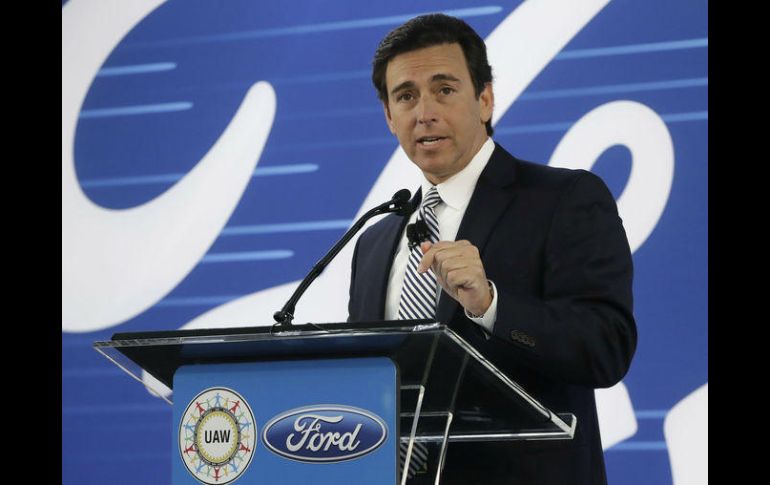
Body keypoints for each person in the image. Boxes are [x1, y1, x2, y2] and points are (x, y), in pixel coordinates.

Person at [347, 13, 637, 485]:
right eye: (406, 96)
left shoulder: (563, 200)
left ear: (485, 99)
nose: (425, 112)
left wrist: (491, 306)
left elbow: (606, 348)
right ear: (389, 117)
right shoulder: (374, 242)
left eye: (444, 89)